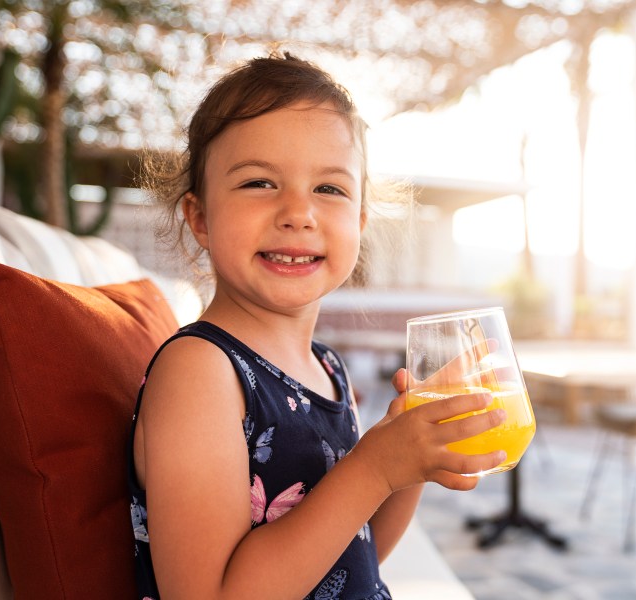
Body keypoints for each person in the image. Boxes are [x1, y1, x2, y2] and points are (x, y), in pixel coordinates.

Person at [128, 50, 507, 600]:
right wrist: (374, 467)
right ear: (201, 217)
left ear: (358, 221)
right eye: (259, 182)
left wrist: (408, 459)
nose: (298, 212)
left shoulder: (325, 366)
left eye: (328, 189)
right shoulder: (200, 373)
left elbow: (356, 551)